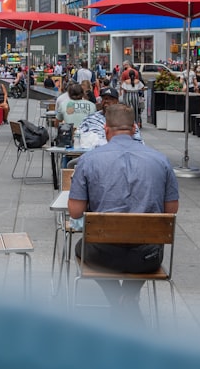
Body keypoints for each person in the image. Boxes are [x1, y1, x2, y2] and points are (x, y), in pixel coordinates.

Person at [67, 105, 179, 313]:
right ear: (135, 128)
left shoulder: (88, 161)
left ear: (105, 129)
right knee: (142, 250)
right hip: (148, 257)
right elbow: (171, 210)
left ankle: (115, 297)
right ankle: (128, 295)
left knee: (80, 247)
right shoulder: (161, 160)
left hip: (103, 255)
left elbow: (75, 212)